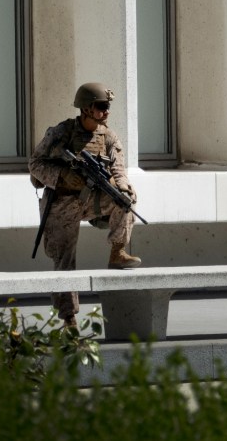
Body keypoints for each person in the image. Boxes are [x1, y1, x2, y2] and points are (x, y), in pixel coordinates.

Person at [28, 82, 141, 327]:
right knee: (65, 260)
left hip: (92, 200)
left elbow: (118, 170)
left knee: (125, 200)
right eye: (101, 107)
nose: (106, 112)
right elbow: (35, 164)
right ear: (86, 109)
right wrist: (62, 176)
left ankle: (117, 252)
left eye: (107, 107)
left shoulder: (108, 137)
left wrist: (122, 187)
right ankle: (69, 317)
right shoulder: (61, 133)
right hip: (62, 203)